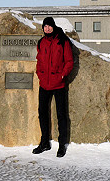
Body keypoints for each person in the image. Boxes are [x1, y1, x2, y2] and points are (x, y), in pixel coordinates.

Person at [33, 16, 74, 158]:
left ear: (53, 26)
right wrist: (40, 74)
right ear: (43, 28)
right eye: (45, 26)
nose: (47, 28)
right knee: (42, 113)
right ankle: (44, 142)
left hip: (59, 84)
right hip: (44, 83)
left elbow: (69, 61)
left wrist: (62, 75)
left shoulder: (62, 41)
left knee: (61, 114)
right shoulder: (41, 42)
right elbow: (38, 60)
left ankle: (62, 144)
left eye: (49, 26)